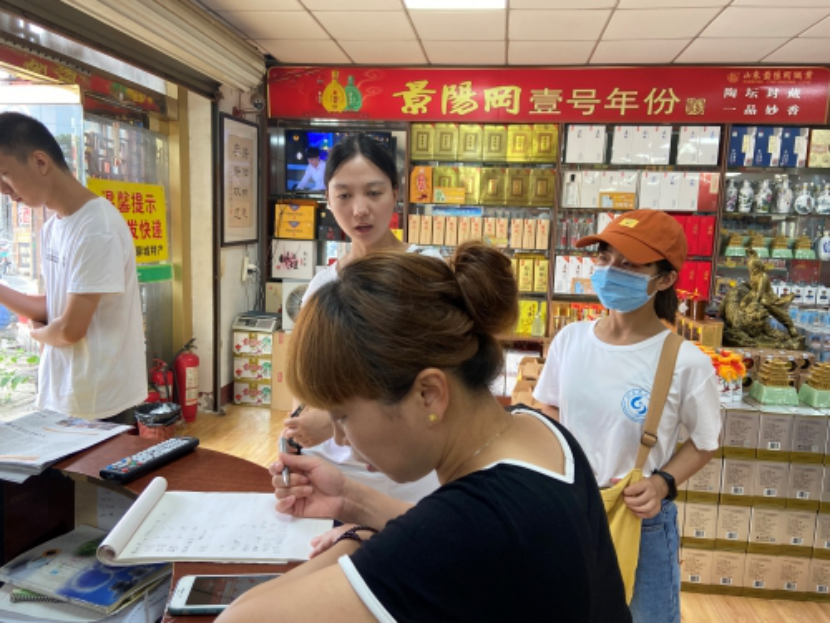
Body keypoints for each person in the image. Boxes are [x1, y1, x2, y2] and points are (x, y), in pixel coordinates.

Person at [217, 242, 631, 623]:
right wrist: (351, 500)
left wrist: (356, 543)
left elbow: (238, 619)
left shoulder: (468, 524)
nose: (339, 439)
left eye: (342, 416)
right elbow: (467, 542)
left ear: (428, 394)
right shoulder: (539, 431)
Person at [532, 209, 721, 623]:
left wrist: (662, 482)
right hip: (572, 509)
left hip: (641, 521)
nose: (610, 271)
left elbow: (706, 441)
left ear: (665, 280)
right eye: (604, 257)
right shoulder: (570, 340)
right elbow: (549, 405)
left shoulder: (686, 362)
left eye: (630, 264)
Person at [283, 133, 441, 503]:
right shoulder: (322, 286)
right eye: (344, 195)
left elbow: (436, 377)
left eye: (373, 193)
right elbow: (305, 383)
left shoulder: (427, 271)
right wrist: (297, 431)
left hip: (406, 472)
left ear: (395, 193)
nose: (359, 210)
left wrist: (334, 419)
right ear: (328, 199)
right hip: (331, 468)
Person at [0, 112, 146, 423]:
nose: (3, 190)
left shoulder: (97, 227)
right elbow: (53, 306)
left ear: (40, 162)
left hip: (100, 402)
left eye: (5, 175)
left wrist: (36, 333)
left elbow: (70, 329)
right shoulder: (53, 228)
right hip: (65, 392)